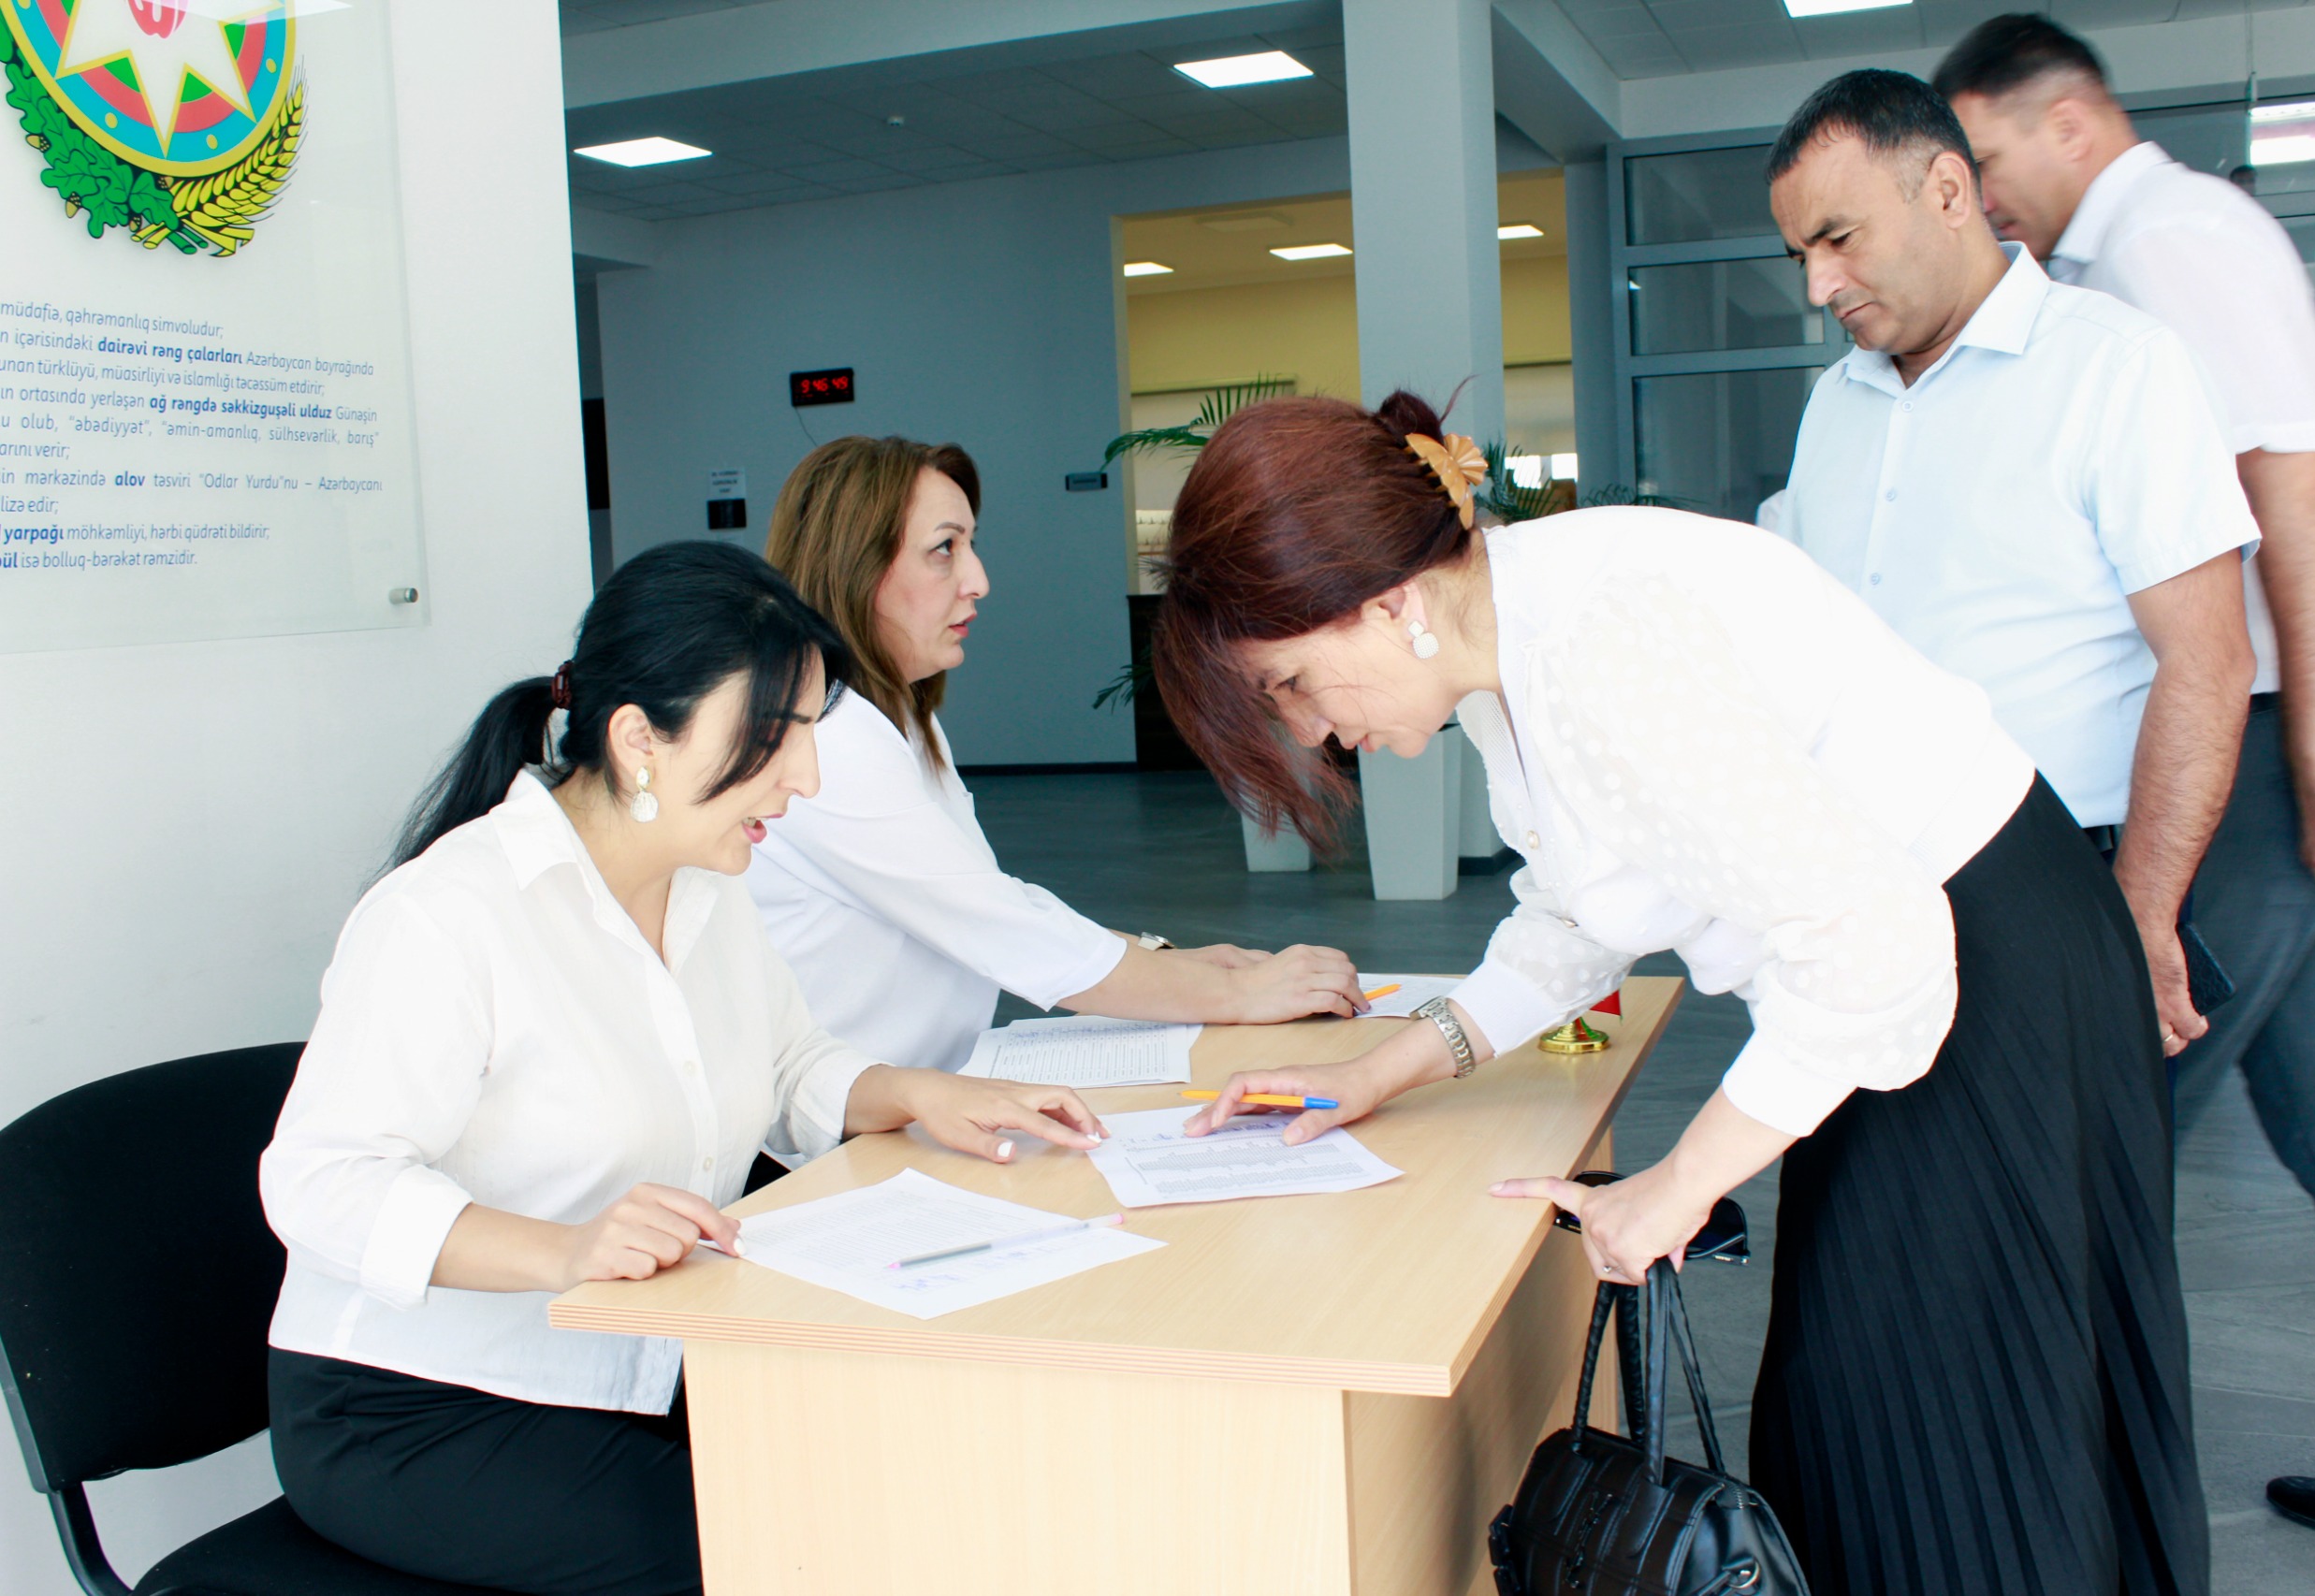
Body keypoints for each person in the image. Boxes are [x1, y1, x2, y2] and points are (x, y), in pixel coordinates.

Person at [1152, 390, 2206, 1593]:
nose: (1311, 731)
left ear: (1388, 604)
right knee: (1882, 1412)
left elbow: (1874, 937)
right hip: (1929, 974)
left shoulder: (1593, 647)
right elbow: (1576, 915)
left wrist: (1679, 1183)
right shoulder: (1507, 637)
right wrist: (1374, 1072)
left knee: (1943, 1427)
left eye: (1292, 682)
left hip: (1981, 976)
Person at [258, 542, 1106, 1596]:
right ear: (637, 741)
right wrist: (567, 1250)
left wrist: (924, 1093)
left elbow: (790, 1064)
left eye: (810, 732)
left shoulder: (707, 884)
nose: (805, 776)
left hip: (647, 1359)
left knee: (925, 1464)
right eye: (774, 735)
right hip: (415, 1405)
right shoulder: (448, 913)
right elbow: (322, 1182)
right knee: (795, 1550)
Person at [1939, 11, 2315, 1544]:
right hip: (2281, 719)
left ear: (2068, 123)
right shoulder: (2115, 262)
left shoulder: (2170, 240)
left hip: (2264, 731)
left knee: (2113, 1100)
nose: (1978, 195)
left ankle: (2044, 1491)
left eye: (1984, 156)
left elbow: (2303, 490)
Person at [1769, 69, 2255, 1056]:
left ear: (1949, 192)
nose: (1819, 286)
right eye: (1800, 255)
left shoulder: (2115, 364)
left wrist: (2139, 914)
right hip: (1864, 899)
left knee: (2065, 1161)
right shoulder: (1833, 404)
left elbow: (2208, 661)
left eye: (1839, 238)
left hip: (2054, 879)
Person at [744, 434, 1364, 1073]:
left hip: (927, 1088)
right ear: (856, 566)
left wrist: (1170, 963)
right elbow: (999, 929)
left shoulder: (894, 714)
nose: (978, 581)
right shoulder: (828, 739)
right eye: (944, 549)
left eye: (971, 545)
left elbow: (987, 897)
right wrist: (1235, 993)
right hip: (849, 1120)